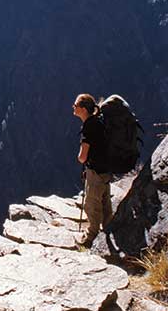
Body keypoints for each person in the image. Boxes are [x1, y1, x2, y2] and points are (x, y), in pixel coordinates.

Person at [72, 93, 112, 248]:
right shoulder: (98, 121)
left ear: (82, 109)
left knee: (91, 203)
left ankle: (90, 238)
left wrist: (80, 157)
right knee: (105, 202)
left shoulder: (89, 126)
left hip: (95, 170)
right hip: (106, 169)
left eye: (75, 105)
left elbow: (83, 157)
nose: (73, 108)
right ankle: (109, 229)